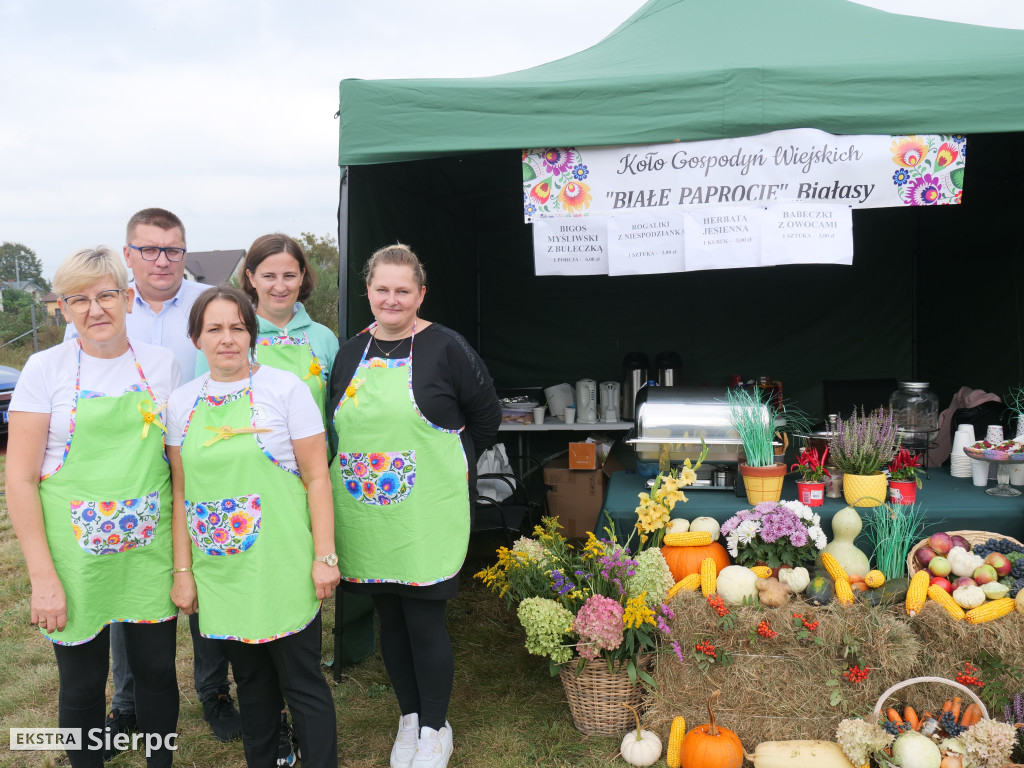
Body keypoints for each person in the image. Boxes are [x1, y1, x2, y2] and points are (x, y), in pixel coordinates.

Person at [66, 208, 242, 744]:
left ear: (185, 253)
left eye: (173, 249)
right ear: (129, 255)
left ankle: (214, 692)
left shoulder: (206, 303)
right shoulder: (112, 308)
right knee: (131, 589)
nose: (162, 260)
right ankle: (128, 705)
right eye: (149, 249)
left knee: (203, 579)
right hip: (132, 473)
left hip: (201, 461)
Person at [328, 244, 500, 768]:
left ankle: (434, 727)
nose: (392, 299)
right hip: (369, 513)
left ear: (420, 294)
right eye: (382, 289)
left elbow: (487, 418)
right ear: (369, 292)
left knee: (424, 622)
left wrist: (445, 463)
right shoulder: (348, 352)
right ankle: (408, 718)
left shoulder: (446, 347)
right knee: (390, 620)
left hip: (426, 510)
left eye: (403, 290)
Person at [7, 247, 180, 767]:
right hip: (75, 560)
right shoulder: (44, 369)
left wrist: (182, 564)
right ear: (61, 308)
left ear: (127, 297)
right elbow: (19, 478)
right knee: (81, 685)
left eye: (106, 294)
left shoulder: (161, 364)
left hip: (148, 552)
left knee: (156, 674)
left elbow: (176, 466)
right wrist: (43, 579)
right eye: (77, 299)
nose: (95, 309)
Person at [167, 287, 341, 768]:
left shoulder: (286, 390)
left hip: (282, 560)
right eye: (214, 329)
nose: (227, 339)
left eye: (237, 327)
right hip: (222, 569)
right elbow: (181, 493)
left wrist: (324, 556)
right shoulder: (180, 404)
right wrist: (184, 571)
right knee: (251, 683)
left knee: (301, 681)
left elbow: (317, 477)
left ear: (252, 332)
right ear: (197, 338)